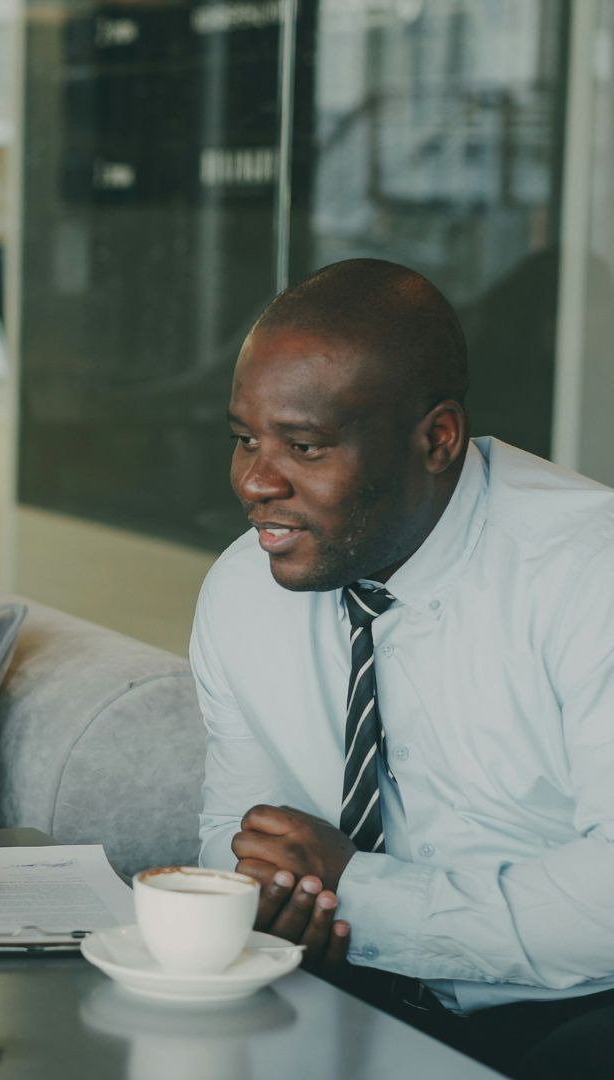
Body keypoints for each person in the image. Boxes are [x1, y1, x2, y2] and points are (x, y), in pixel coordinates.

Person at [193, 258, 614, 1077]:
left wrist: (362, 896)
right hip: (345, 986)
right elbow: (235, 836)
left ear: (437, 438)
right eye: (245, 439)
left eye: (304, 446)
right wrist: (277, 902)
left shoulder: (588, 576)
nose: (255, 482)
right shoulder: (243, 591)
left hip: (581, 1010)